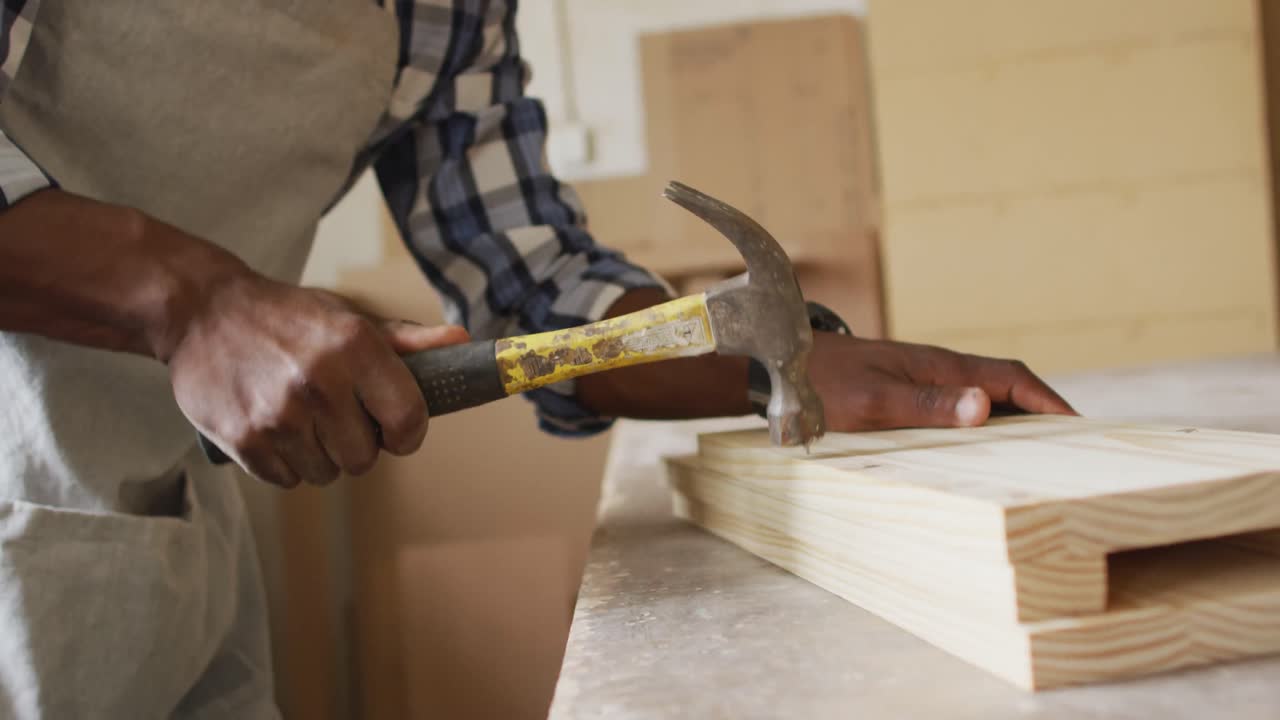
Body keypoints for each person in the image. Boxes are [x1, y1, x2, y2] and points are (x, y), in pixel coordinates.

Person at [0, 1, 1073, 716]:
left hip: (169, 525)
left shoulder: (447, 12)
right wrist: (190, 302)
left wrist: (762, 359)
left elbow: (534, 281)